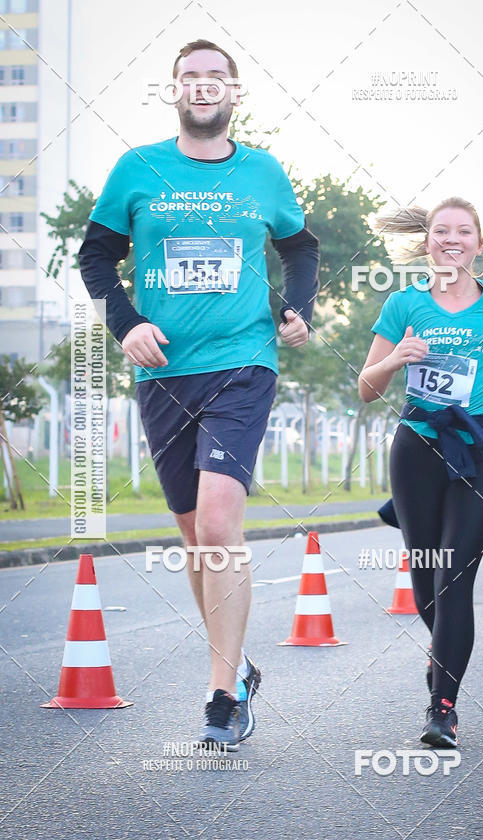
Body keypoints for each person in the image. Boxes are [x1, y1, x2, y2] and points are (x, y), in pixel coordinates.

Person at [78, 39, 319, 749]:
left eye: (216, 78)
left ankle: (221, 693)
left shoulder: (264, 173)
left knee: (218, 522)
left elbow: (299, 246)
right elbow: (94, 254)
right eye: (191, 78)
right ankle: (238, 663)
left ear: (235, 93)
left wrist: (296, 306)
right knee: (193, 534)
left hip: (243, 361)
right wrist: (126, 326)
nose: (204, 87)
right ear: (175, 91)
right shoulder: (138, 168)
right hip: (163, 371)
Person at [358, 197, 483, 748]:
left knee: (455, 572)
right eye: (442, 231)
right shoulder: (403, 304)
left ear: (479, 245)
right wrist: (395, 360)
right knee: (426, 577)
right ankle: (444, 660)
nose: (452, 239)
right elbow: (366, 389)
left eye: (464, 232)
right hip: (418, 445)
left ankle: (443, 709)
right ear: (427, 243)